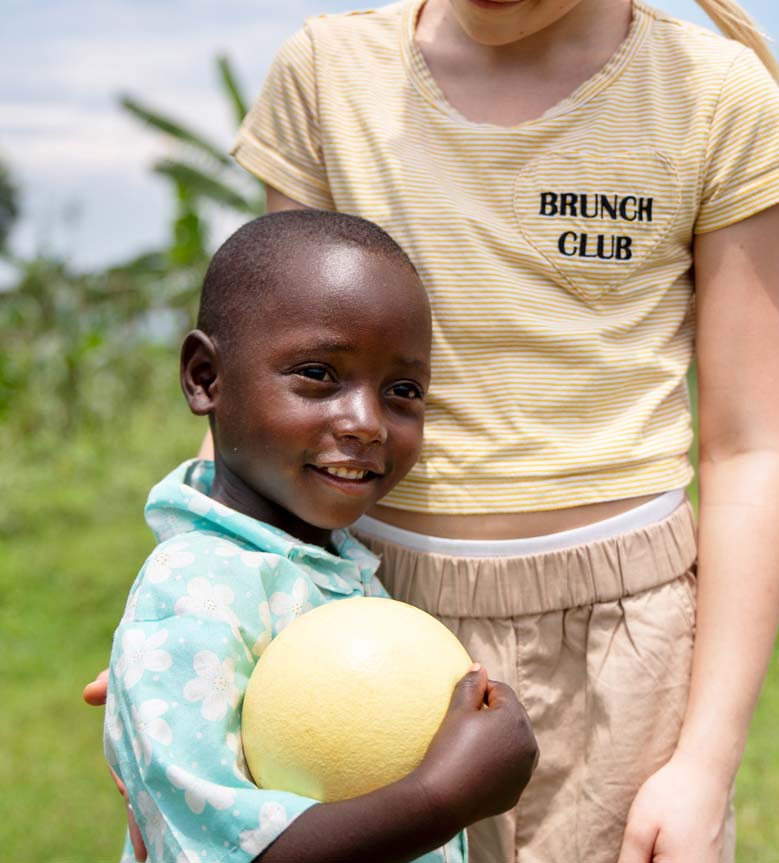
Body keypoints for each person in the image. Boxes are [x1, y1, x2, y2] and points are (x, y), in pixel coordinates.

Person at [88, 0, 779, 861]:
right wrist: (194, 612)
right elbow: (276, 381)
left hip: (619, 647)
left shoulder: (713, 102)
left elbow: (751, 445)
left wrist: (704, 756)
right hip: (348, 621)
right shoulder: (328, 76)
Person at [100, 209, 538, 863]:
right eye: (319, 373)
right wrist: (444, 797)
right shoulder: (196, 585)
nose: (366, 421)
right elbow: (221, 848)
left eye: (402, 389)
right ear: (204, 377)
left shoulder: (330, 563)